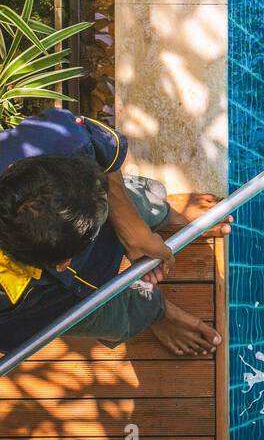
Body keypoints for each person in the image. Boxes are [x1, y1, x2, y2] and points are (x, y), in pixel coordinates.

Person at [0, 107, 230, 359]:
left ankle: (164, 213)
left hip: (53, 245)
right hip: (38, 304)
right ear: (64, 263)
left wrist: (132, 227)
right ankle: (154, 313)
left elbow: (90, 143)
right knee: (106, 316)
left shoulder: (48, 142)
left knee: (134, 201)